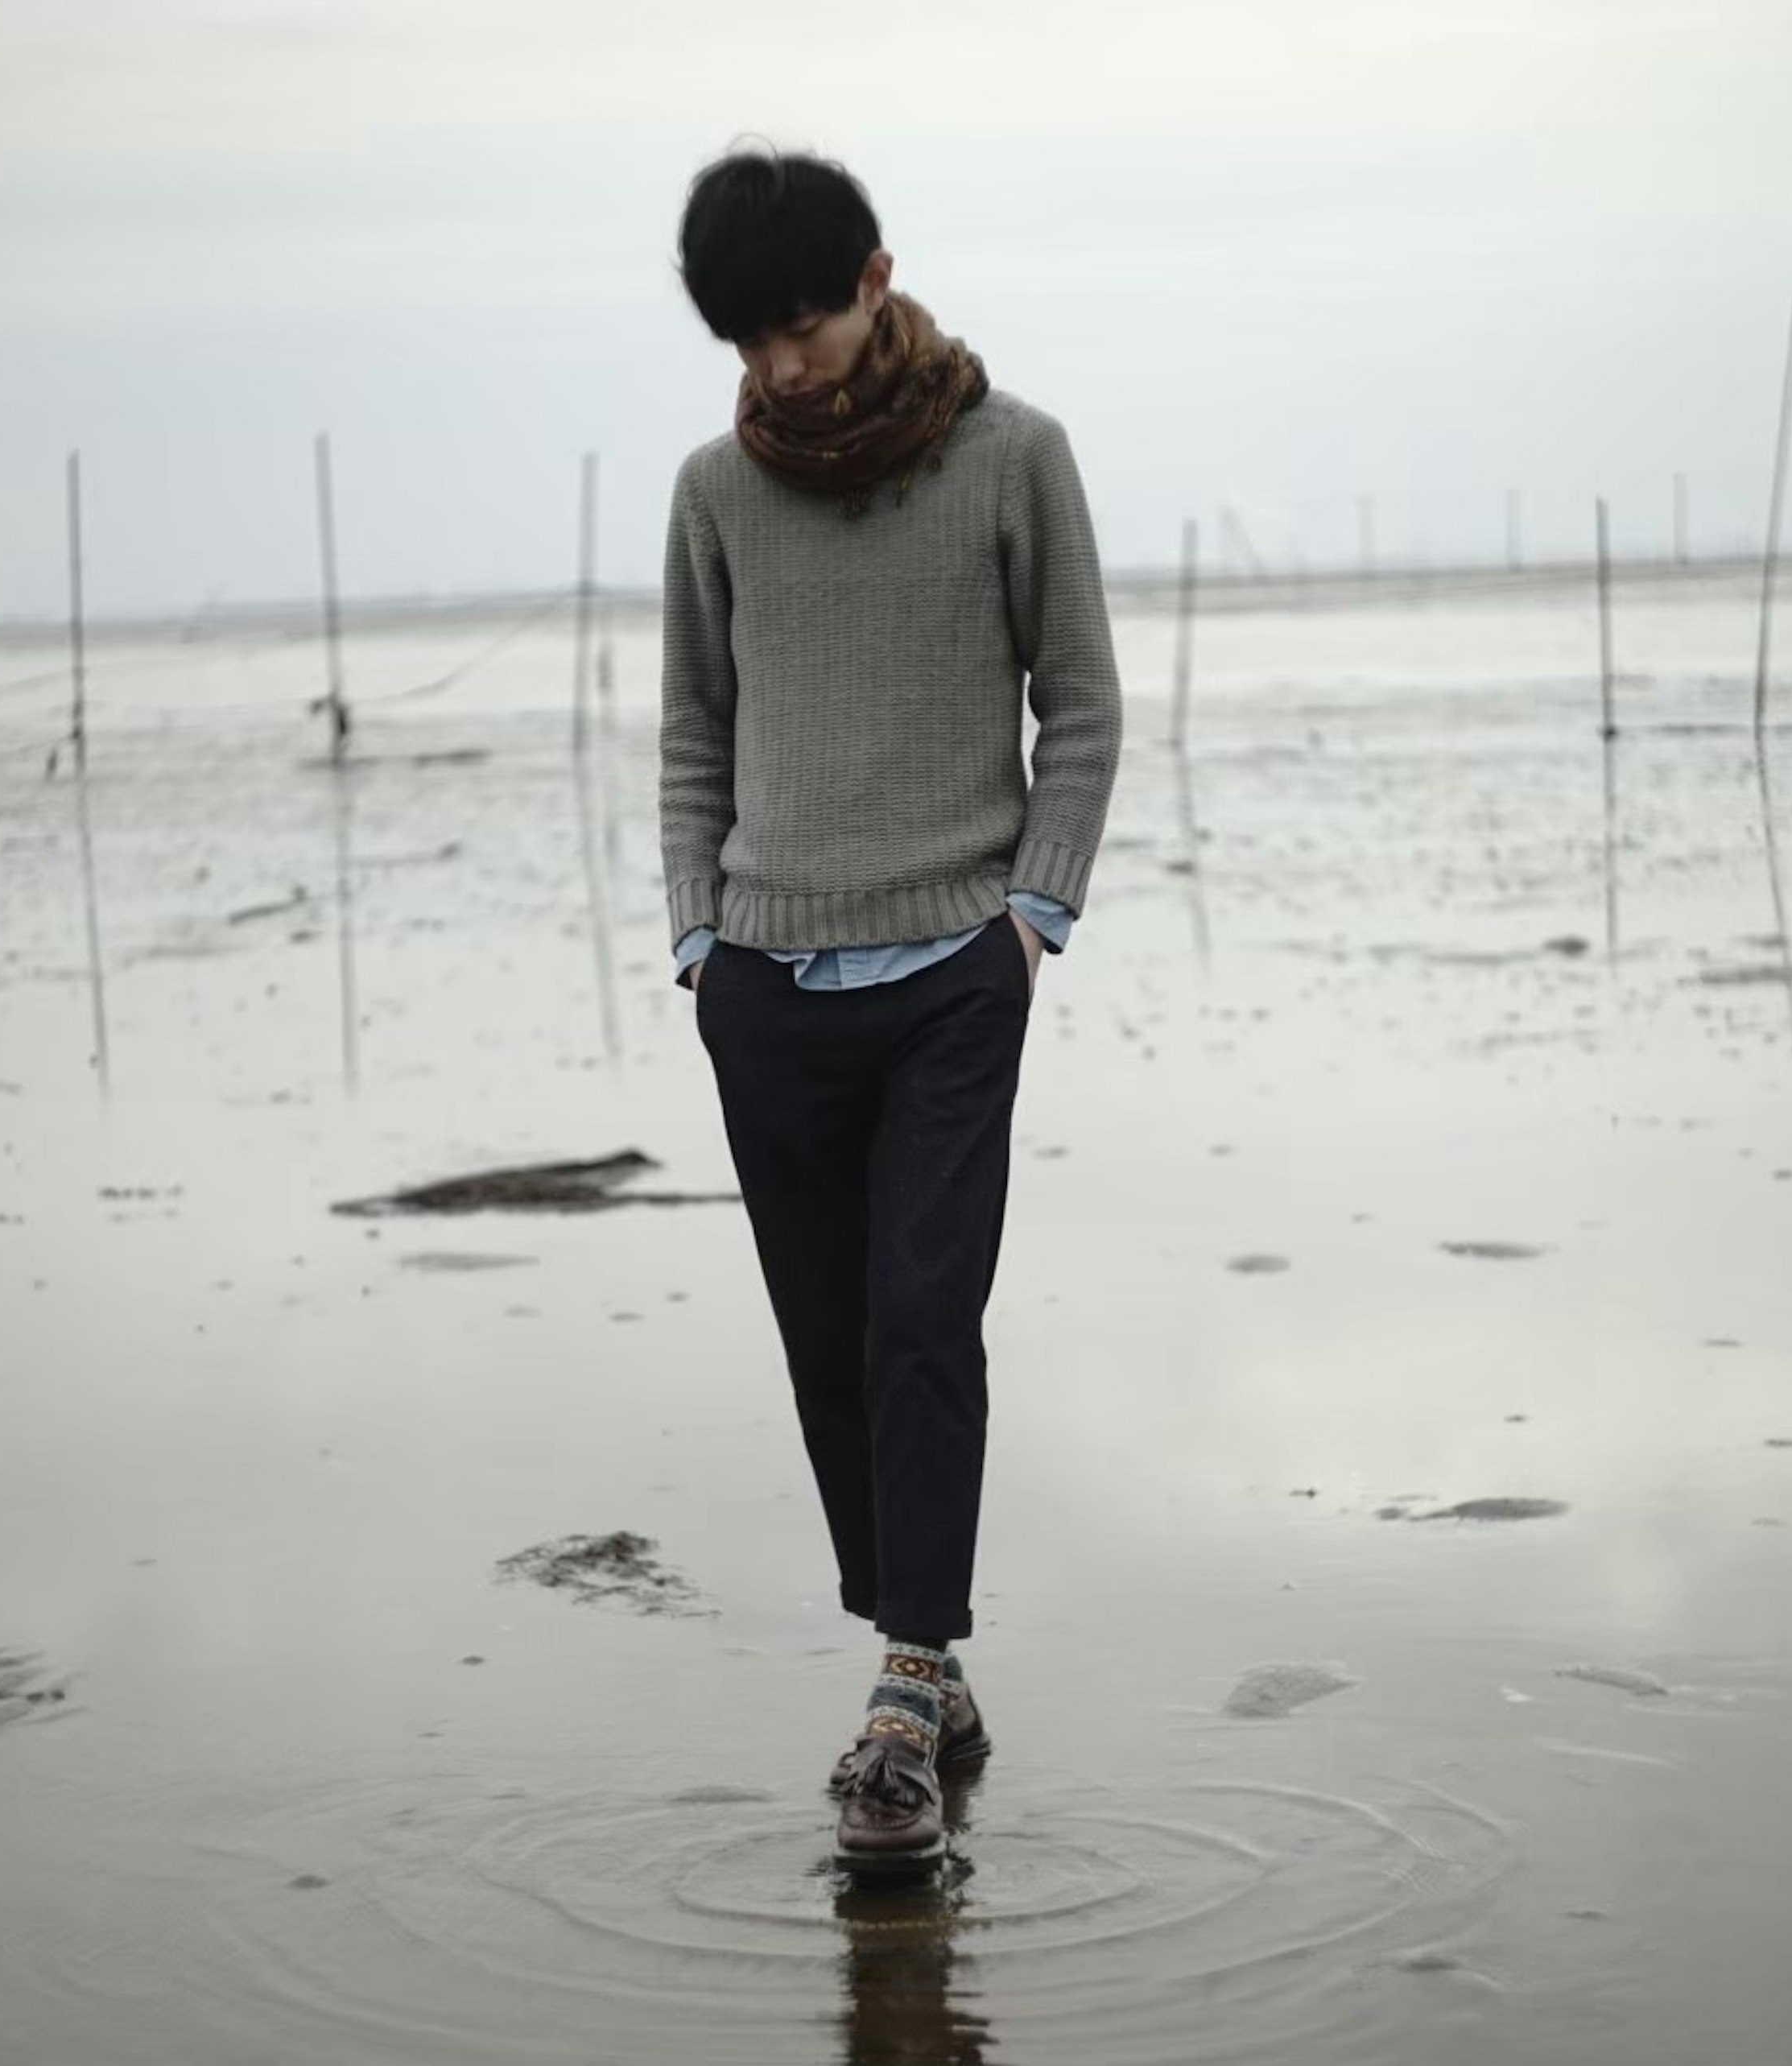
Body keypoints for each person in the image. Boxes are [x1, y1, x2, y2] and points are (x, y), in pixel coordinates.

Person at [659, 146, 1123, 1866]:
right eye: (748, 340)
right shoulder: (715, 490)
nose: (783, 367)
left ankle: (902, 1690)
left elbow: (1078, 703)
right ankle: (924, 1647)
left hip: (951, 970)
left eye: (802, 325)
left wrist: (1033, 916)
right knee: (828, 1342)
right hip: (767, 980)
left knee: (924, 1319)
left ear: (875, 278)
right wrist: (702, 941)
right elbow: (692, 729)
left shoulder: (1017, 459)